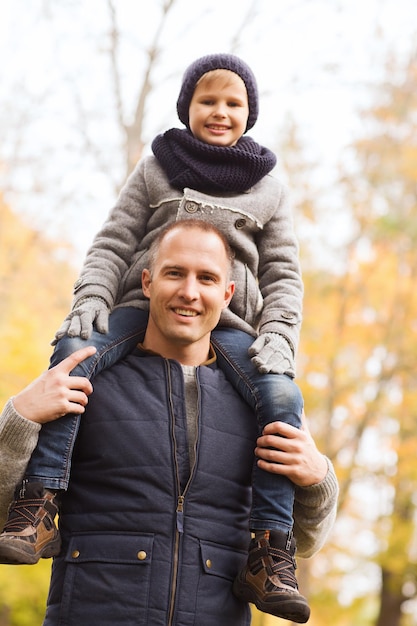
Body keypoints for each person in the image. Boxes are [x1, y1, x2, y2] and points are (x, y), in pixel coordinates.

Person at [1, 53, 304, 618]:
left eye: (233, 103)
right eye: (206, 101)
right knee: (72, 353)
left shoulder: (269, 186)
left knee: (284, 396)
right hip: (131, 314)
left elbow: (284, 273)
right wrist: (21, 412)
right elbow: (112, 242)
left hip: (242, 337)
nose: (219, 112)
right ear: (186, 107)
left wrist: (281, 337)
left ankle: (270, 552)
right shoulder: (157, 167)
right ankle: (39, 505)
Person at [0, 222, 338, 625]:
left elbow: (305, 542)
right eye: (175, 273)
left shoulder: (261, 402)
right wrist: (18, 417)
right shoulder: (83, 380)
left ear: (227, 294)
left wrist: (318, 479)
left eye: (207, 278)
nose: (189, 292)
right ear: (147, 282)